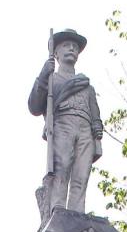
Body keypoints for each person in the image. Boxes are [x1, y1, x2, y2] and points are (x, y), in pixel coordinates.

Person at [28, 28, 103, 219]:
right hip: (62, 124)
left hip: (85, 128)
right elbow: (34, 106)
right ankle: (57, 211)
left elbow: (94, 111)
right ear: (56, 52)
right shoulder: (52, 80)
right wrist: (43, 76)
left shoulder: (86, 85)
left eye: (75, 47)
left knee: (81, 174)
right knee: (61, 168)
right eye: (66, 46)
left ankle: (77, 213)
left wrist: (96, 129)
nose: (72, 49)